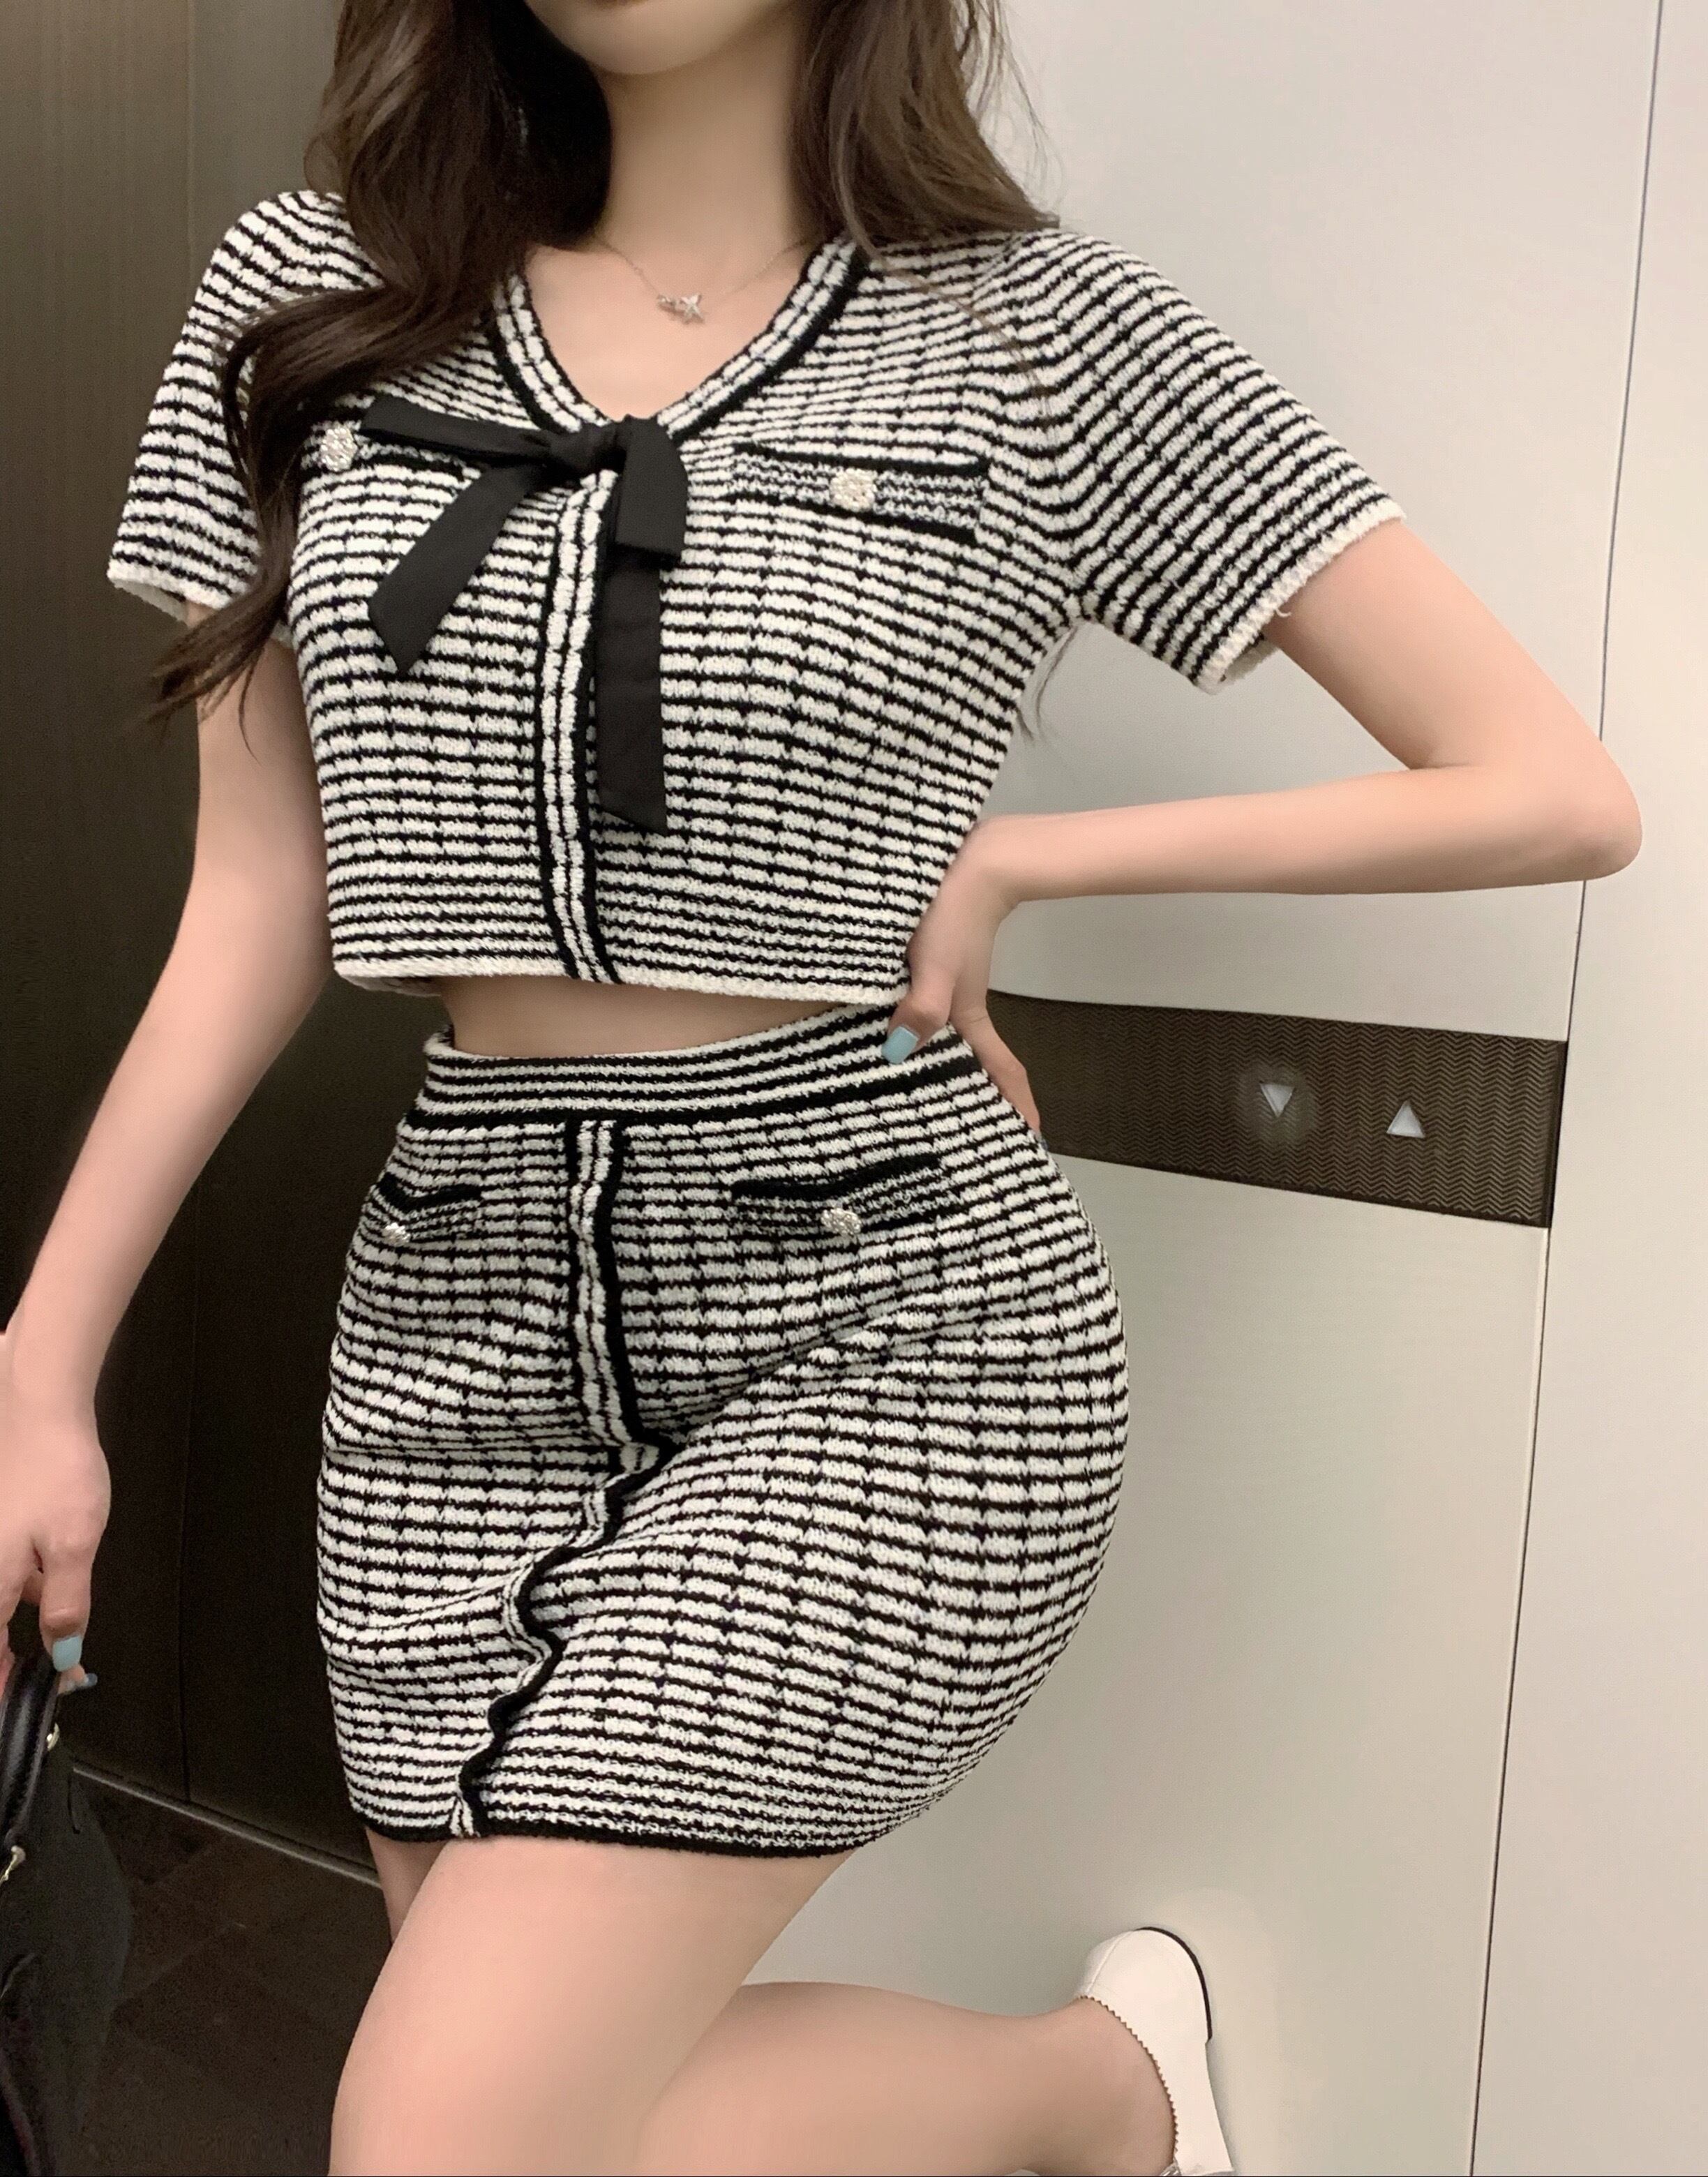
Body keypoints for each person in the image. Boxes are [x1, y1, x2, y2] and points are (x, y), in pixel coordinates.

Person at [0, 0, 1640, 2170]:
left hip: (888, 1316)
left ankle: (1096, 2103)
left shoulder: (1041, 337)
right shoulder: (309, 293)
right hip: (451, 1327)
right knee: (550, 2115)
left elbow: (1548, 784)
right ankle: (1107, 2094)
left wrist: (1033, 858)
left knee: (446, 2135)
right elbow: (259, 898)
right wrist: (40, 1367)